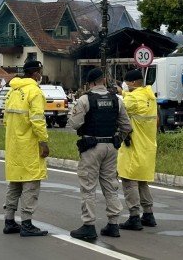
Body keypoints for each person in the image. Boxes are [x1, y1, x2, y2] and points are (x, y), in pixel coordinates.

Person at [67, 68, 132, 241]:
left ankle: (88, 226)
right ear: (103, 80)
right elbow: (126, 126)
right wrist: (119, 139)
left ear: (91, 83)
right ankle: (113, 224)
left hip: (91, 147)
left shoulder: (85, 99)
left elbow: (74, 123)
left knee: (88, 186)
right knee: (110, 185)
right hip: (111, 147)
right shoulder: (116, 99)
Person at [2, 60, 49, 237]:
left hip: (13, 144)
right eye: (40, 72)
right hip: (29, 145)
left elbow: (5, 119)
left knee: (15, 183)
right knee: (31, 183)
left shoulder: (13, 90)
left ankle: (9, 221)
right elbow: (37, 119)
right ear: (36, 73)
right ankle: (27, 223)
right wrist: (43, 141)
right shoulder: (34, 91)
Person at [117, 68, 158, 230]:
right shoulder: (150, 96)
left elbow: (121, 108)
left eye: (126, 83)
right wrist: (125, 93)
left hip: (133, 146)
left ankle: (134, 216)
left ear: (133, 83)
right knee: (142, 181)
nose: (125, 86)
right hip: (148, 146)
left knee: (128, 181)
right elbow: (135, 101)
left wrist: (121, 94)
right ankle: (148, 214)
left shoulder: (132, 99)